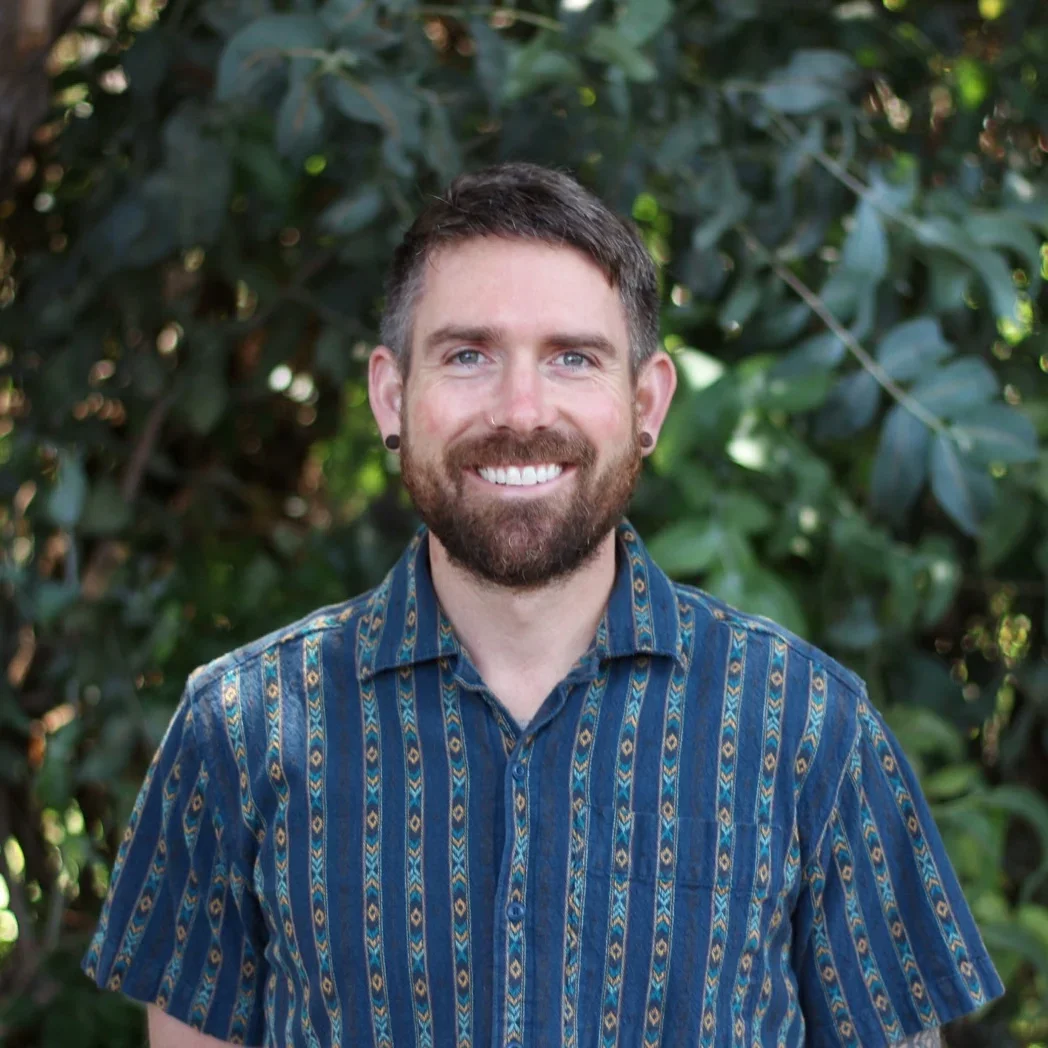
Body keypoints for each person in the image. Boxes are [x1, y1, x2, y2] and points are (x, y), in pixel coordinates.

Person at [82, 162, 1003, 1048]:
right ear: (391, 394)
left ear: (645, 402)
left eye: (572, 357)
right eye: (469, 354)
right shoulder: (237, 733)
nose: (520, 409)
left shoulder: (809, 729)